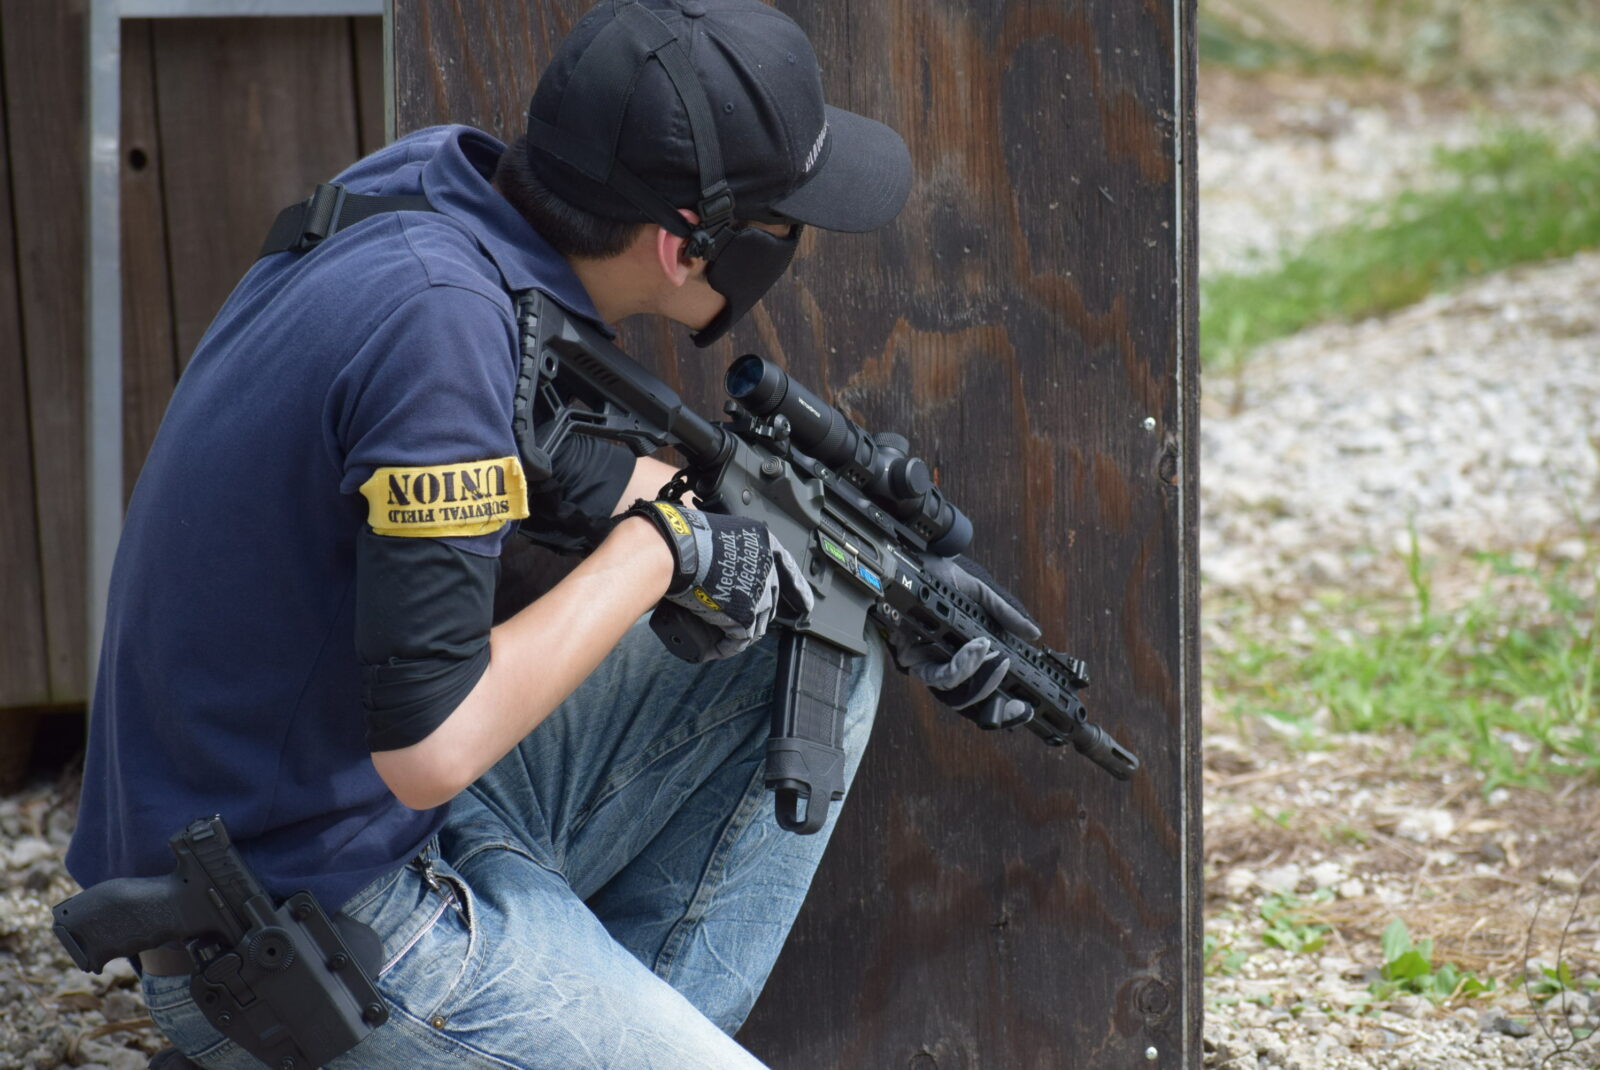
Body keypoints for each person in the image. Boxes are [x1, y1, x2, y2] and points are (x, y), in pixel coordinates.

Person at [66, 1, 1038, 1066]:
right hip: (305, 927)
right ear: (686, 244)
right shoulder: (440, 327)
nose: (795, 244)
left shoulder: (438, 189)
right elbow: (431, 748)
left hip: (334, 811)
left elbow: (529, 451)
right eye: (785, 222)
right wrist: (657, 551)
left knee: (815, 625)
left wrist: (868, 572)